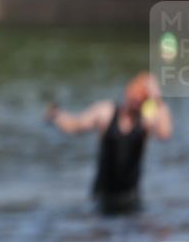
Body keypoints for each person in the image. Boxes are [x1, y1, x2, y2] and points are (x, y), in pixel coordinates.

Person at [45, 72, 173, 215]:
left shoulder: (145, 122)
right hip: (102, 196)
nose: (136, 101)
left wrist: (158, 99)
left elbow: (165, 134)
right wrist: (56, 115)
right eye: (135, 95)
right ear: (127, 92)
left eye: (142, 98)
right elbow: (75, 126)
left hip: (130, 197)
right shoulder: (105, 112)